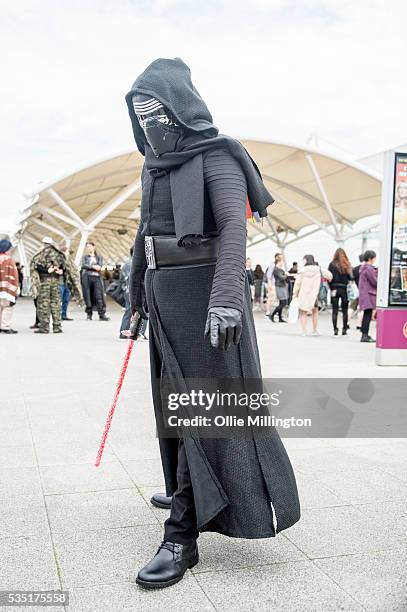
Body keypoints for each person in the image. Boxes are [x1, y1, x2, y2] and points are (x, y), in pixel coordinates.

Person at [125, 57, 300, 589]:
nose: (148, 119)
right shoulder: (152, 167)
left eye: (155, 106)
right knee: (174, 406)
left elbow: (232, 229)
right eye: (138, 110)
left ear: (180, 106)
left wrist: (225, 300)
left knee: (203, 410)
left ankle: (181, 533)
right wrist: (135, 300)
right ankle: (192, 487)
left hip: (207, 299)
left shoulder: (219, 155)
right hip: (165, 298)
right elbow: (144, 237)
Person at [30, 237, 81, 334]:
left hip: (44, 282)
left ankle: (44, 328)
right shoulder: (59, 254)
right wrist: (61, 271)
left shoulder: (40, 254)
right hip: (56, 282)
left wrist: (46, 270)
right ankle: (57, 327)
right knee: (56, 304)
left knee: (44, 304)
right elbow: (67, 267)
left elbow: (35, 266)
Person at [293, 254, 332, 336]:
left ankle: (304, 331)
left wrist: (295, 294)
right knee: (315, 311)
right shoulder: (319, 269)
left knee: (303, 312)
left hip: (304, 294)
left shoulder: (302, 271)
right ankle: (314, 330)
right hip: (315, 294)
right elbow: (330, 276)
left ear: (305, 260)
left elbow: (297, 284)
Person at [80, 242, 109, 321]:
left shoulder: (99, 257)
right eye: (87, 247)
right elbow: (84, 265)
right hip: (87, 278)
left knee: (99, 296)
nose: (88, 248)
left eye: (90, 246)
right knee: (88, 296)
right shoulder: (85, 257)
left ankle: (101, 314)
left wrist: (91, 267)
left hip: (97, 278)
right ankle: (89, 314)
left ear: (94, 247)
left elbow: (100, 267)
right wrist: (94, 267)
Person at [328, 248, 353, 336]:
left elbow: (329, 277)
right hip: (343, 289)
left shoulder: (331, 264)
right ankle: (344, 329)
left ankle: (335, 329)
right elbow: (351, 277)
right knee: (344, 310)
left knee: (335, 310)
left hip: (334, 288)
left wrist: (330, 287)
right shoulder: (347, 264)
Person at [358, 250, 377, 343]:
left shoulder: (363, 268)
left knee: (367, 314)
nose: (375, 260)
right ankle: (364, 335)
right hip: (368, 295)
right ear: (370, 258)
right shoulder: (369, 269)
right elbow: (374, 282)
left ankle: (364, 334)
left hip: (364, 294)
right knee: (367, 315)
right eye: (374, 258)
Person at [0, 239, 19, 334]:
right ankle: (5, 326)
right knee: (7, 307)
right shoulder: (9, 259)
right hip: (6, 289)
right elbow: (13, 275)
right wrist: (16, 289)